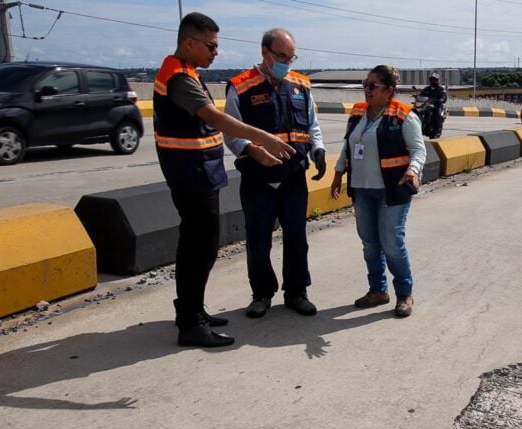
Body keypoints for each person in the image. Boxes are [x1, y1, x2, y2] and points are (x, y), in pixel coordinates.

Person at [154, 13, 295, 348]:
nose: (216, 53)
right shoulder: (180, 78)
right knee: (198, 250)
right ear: (190, 42)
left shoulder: (185, 71)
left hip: (198, 172)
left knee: (199, 247)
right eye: (211, 46)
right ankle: (191, 323)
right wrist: (264, 138)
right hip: (192, 176)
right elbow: (216, 118)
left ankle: (191, 310)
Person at [224, 28, 326, 319]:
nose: (286, 62)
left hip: (294, 176)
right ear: (264, 53)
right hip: (258, 179)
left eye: (290, 57)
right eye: (280, 56)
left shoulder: (301, 85)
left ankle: (297, 292)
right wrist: (251, 149)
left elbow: (312, 125)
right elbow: (230, 132)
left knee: (297, 236)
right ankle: (261, 294)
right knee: (258, 239)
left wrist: (317, 149)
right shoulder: (241, 86)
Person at [329, 65, 426, 317]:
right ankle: (377, 291)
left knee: (391, 242)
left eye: (373, 85)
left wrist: (413, 169)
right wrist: (338, 173)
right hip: (362, 188)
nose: (366, 89)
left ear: (389, 90)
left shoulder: (403, 115)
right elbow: (348, 146)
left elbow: (418, 150)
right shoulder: (358, 112)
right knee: (370, 244)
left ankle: (404, 294)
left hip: (392, 189)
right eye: (365, 84)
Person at [418, 72, 447, 137]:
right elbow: (421, 94)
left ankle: (437, 131)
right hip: (427, 105)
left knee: (437, 114)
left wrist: (441, 99)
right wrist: (417, 96)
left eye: (434, 80)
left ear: (437, 80)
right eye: (432, 79)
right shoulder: (427, 89)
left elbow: (444, 96)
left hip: (437, 105)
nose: (433, 81)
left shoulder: (441, 89)